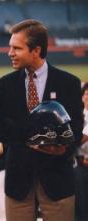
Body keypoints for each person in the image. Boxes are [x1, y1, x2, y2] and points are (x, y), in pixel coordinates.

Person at [0, 19, 83, 221]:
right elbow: (1, 127)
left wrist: (61, 148)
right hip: (18, 182)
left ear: (36, 50)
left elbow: (76, 127)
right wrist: (35, 135)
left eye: (16, 48)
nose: (10, 53)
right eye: (10, 47)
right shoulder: (6, 84)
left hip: (57, 178)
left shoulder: (68, 83)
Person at [74, 82, 88, 221]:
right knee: (81, 206)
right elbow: (76, 141)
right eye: (86, 93)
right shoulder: (78, 116)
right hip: (81, 164)